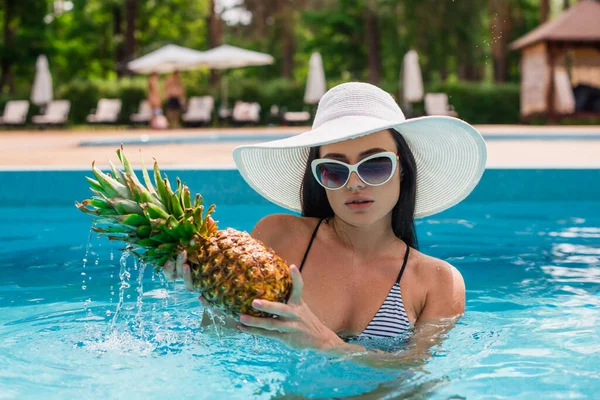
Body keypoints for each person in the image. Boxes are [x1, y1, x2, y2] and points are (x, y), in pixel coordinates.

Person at [164, 82, 487, 367]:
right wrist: (214, 302)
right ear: (319, 179)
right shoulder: (281, 238)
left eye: (375, 165)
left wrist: (325, 344)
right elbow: (218, 345)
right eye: (335, 170)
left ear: (402, 170)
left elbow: (418, 377)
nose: (355, 183)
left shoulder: (437, 282)